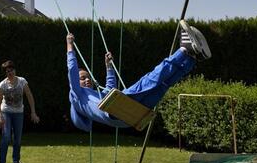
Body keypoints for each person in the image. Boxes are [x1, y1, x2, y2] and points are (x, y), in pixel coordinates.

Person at [67, 20, 211, 131]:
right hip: (116, 110)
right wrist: (70, 46)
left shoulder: (96, 96)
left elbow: (109, 89)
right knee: (148, 81)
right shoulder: (77, 94)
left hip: (127, 118)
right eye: (82, 78)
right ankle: (183, 50)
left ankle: (192, 58)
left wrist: (109, 67)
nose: (87, 80)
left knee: (162, 85)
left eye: (88, 78)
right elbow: (72, 69)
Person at [0, 60, 40, 163]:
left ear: (15, 70)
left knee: (17, 139)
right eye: (8, 71)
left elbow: (30, 96)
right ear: (6, 73)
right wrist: (0, 115)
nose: (10, 73)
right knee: (6, 137)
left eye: (12, 70)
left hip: (19, 113)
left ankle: (16, 162)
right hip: (6, 112)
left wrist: (33, 112)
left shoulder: (22, 81)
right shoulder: (3, 84)